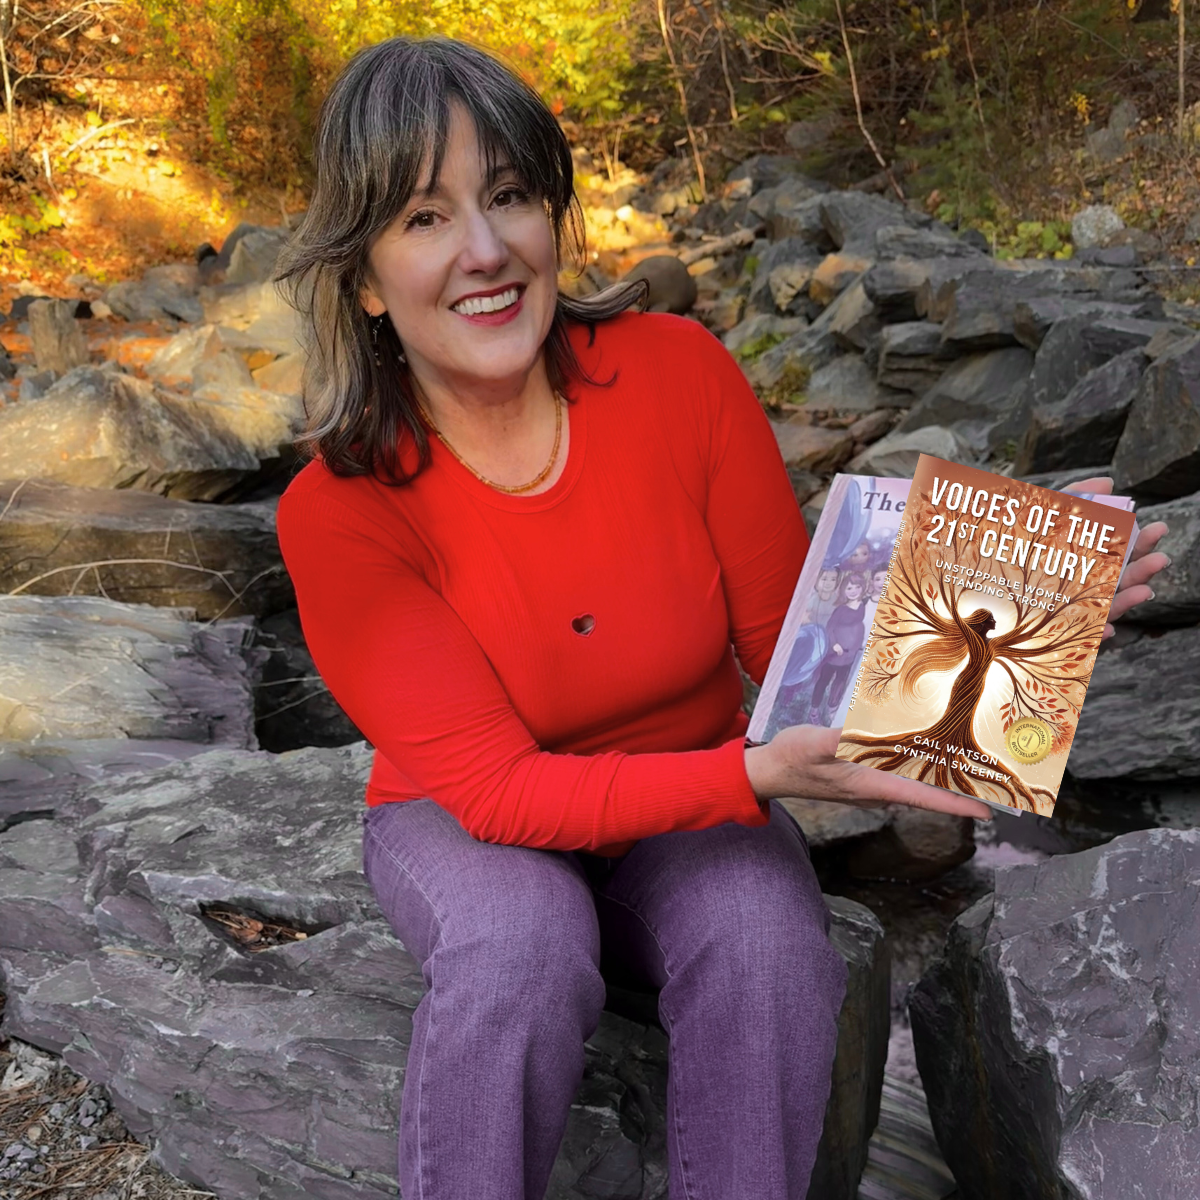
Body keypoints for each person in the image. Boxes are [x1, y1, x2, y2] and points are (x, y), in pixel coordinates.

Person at [272, 34, 1171, 1200]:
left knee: (767, 948)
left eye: (507, 197)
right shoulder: (338, 508)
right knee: (520, 952)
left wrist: (1026, 576)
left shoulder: (677, 372)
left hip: (690, 794)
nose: (486, 252)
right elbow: (499, 793)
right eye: (425, 218)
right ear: (361, 274)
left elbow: (800, 640)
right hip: (468, 821)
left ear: (553, 212)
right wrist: (755, 778)